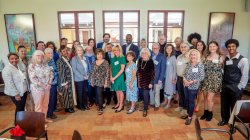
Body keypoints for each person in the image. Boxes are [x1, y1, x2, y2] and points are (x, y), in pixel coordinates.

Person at [218, 39, 249, 126]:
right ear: (227, 47)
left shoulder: (243, 60)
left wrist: (240, 87)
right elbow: (224, 71)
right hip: (225, 86)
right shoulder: (226, 58)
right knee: (224, 105)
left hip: (235, 87)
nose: (231, 48)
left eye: (233, 46)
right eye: (229, 46)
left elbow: (245, 75)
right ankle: (224, 119)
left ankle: (233, 124)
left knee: (235, 107)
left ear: (236, 47)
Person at [200, 41, 223, 121]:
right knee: (205, 98)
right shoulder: (205, 57)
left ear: (217, 47)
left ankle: (210, 113)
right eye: (210, 46)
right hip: (205, 80)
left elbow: (223, 70)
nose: (212, 48)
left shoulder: (221, 58)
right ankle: (205, 112)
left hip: (214, 81)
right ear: (208, 48)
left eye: (214, 46)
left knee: (210, 98)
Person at [2, 53, 28, 123]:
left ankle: (22, 122)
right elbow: (9, 83)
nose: (14, 60)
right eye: (12, 59)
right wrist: (16, 94)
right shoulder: (6, 69)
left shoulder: (19, 65)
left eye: (16, 58)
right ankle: (17, 125)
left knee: (22, 108)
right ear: (8, 59)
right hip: (16, 93)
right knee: (19, 108)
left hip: (23, 90)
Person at [28, 50, 53, 123]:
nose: (40, 57)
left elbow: (51, 74)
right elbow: (33, 78)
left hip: (47, 88)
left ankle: (44, 119)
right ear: (34, 57)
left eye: (41, 55)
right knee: (39, 106)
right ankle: (40, 123)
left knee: (45, 104)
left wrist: (49, 84)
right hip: (37, 89)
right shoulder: (32, 65)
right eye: (38, 55)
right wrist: (44, 86)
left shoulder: (45, 64)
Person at [182, 49, 205, 125]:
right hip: (185, 85)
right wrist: (184, 80)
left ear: (197, 56)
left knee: (191, 101)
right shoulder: (188, 63)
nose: (192, 56)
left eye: (194, 54)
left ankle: (190, 117)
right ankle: (189, 113)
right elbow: (184, 74)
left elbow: (201, 77)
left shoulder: (200, 65)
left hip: (193, 86)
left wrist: (191, 82)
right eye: (191, 54)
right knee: (187, 100)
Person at [57, 45, 76, 113]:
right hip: (65, 81)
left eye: (66, 51)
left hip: (69, 80)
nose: (65, 52)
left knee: (69, 94)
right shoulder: (60, 61)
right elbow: (61, 73)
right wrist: (64, 83)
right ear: (61, 52)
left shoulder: (67, 59)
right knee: (66, 94)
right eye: (63, 51)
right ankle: (67, 108)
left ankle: (70, 107)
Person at [90, 49, 110, 115]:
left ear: (103, 55)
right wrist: (92, 81)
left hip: (102, 80)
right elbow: (92, 72)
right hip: (95, 80)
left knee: (99, 94)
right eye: (98, 54)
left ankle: (100, 108)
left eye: (101, 54)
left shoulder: (106, 62)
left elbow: (107, 72)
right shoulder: (94, 62)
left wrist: (106, 82)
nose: (99, 55)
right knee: (98, 94)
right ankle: (102, 103)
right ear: (96, 55)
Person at [71, 46, 90, 111]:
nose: (80, 51)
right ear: (76, 51)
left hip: (85, 78)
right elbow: (74, 70)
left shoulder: (85, 58)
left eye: (81, 50)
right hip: (78, 79)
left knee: (85, 92)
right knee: (80, 92)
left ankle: (85, 104)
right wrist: (82, 77)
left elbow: (87, 67)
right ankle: (80, 105)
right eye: (78, 50)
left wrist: (87, 75)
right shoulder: (74, 59)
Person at [137, 48, 155, 117]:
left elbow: (153, 73)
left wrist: (151, 82)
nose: (144, 54)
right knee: (142, 95)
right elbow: (138, 71)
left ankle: (145, 109)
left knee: (145, 95)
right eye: (143, 53)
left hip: (148, 81)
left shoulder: (150, 61)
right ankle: (145, 105)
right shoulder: (139, 60)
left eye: (145, 53)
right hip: (140, 81)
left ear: (148, 54)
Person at [150, 43, 166, 111]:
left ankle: (157, 105)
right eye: (153, 48)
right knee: (151, 91)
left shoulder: (162, 56)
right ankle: (152, 102)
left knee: (157, 92)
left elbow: (163, 69)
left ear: (159, 48)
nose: (155, 49)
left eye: (156, 48)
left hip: (158, 78)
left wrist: (160, 79)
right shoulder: (150, 55)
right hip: (150, 78)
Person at [17, 46, 34, 111]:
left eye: (25, 51)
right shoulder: (17, 61)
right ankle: (25, 115)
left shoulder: (29, 59)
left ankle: (32, 113)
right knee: (23, 102)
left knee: (31, 100)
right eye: (21, 51)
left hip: (30, 82)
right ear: (18, 52)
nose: (24, 52)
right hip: (22, 84)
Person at [175, 42, 190, 117]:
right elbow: (177, 68)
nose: (183, 48)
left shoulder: (190, 57)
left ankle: (185, 108)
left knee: (185, 94)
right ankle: (180, 106)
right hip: (179, 77)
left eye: (184, 47)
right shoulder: (179, 57)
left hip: (186, 79)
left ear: (188, 48)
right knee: (180, 93)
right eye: (181, 47)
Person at [110, 45, 126, 113]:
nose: (116, 51)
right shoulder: (113, 58)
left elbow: (122, 70)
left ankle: (121, 105)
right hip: (113, 78)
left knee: (120, 91)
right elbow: (111, 68)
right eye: (114, 50)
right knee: (116, 91)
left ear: (120, 50)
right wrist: (111, 77)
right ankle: (118, 103)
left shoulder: (122, 58)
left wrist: (114, 77)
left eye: (117, 50)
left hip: (119, 77)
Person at [44, 48, 58, 119]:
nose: (50, 54)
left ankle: (51, 112)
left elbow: (54, 70)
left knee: (53, 99)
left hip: (54, 82)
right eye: (48, 53)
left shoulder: (52, 60)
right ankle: (49, 114)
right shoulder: (44, 62)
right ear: (45, 54)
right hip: (48, 84)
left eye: (51, 53)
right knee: (49, 100)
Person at [162, 44, 177, 109]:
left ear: (172, 50)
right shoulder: (165, 57)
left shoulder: (173, 57)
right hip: (165, 76)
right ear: (165, 49)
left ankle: (168, 104)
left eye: (170, 48)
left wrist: (174, 78)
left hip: (170, 77)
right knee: (165, 90)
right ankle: (165, 101)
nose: (169, 50)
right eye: (167, 48)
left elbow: (175, 69)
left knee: (169, 90)